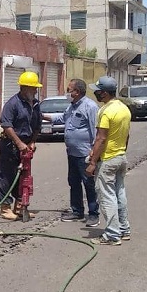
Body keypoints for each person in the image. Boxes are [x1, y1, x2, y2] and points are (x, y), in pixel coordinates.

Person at [43, 78, 100, 227]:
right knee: (73, 182)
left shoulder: (90, 106)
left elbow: (96, 131)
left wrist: (94, 154)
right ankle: (77, 211)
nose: (67, 93)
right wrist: (42, 116)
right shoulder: (71, 106)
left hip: (85, 154)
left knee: (88, 183)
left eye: (69, 90)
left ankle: (93, 214)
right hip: (72, 153)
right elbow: (62, 118)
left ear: (78, 92)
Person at [86, 76, 131, 246]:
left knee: (107, 197)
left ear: (104, 93)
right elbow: (127, 135)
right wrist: (121, 152)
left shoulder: (105, 111)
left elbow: (101, 139)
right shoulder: (124, 108)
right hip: (120, 157)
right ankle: (124, 229)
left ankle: (112, 234)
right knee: (120, 194)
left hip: (108, 159)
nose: (96, 93)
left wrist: (92, 163)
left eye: (97, 91)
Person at [0, 71, 42, 220]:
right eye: (33, 88)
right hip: (11, 145)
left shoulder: (35, 104)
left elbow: (37, 125)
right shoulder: (13, 103)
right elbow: (6, 125)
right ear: (24, 88)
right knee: (6, 176)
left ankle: (20, 207)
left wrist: (32, 141)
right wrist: (19, 143)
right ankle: (5, 208)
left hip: (26, 145)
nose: (35, 91)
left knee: (23, 176)